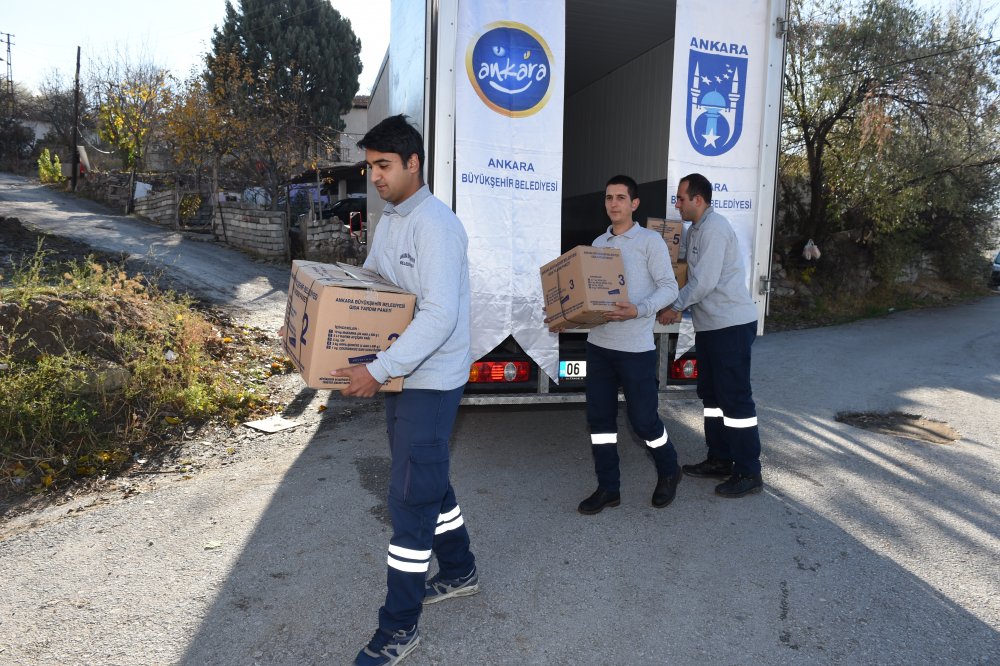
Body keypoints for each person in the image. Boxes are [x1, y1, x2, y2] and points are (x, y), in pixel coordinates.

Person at [334, 115, 479, 666]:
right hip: (402, 374)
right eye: (371, 166)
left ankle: (398, 628)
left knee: (410, 498)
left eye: (383, 165)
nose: (374, 176)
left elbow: (440, 314)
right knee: (426, 477)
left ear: (413, 163)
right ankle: (460, 568)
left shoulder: (436, 226)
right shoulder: (392, 219)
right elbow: (371, 287)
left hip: (431, 378)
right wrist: (319, 323)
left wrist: (381, 366)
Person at [549, 174, 682, 515]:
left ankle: (670, 469)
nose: (613, 203)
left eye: (621, 198)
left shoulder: (649, 241)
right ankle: (608, 487)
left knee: (644, 422)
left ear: (634, 204)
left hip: (635, 349)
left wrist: (640, 309)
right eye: (609, 198)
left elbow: (670, 288)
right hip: (600, 346)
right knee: (600, 421)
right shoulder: (598, 242)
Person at [657, 172, 763, 498]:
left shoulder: (715, 229)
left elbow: (704, 282)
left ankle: (748, 472)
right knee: (713, 398)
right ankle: (720, 458)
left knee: (734, 398)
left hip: (729, 326)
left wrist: (674, 306)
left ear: (698, 200)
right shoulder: (695, 230)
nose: (677, 204)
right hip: (711, 327)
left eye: (681, 199)